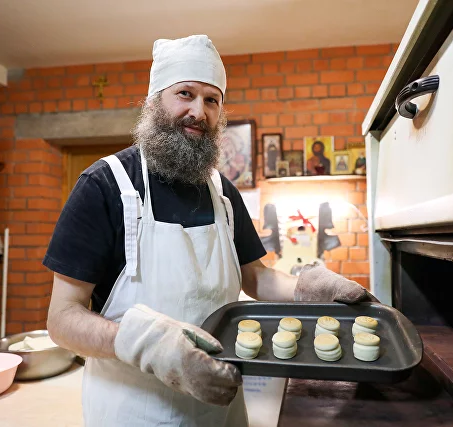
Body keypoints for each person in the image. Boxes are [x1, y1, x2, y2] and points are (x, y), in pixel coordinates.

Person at [44, 34, 373, 427]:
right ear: (153, 103)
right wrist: (146, 343)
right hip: (133, 411)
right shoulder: (105, 186)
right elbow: (62, 319)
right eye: (185, 93)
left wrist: (308, 288)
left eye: (211, 100)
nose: (198, 111)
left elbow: (256, 277)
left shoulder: (222, 192)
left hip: (221, 409)